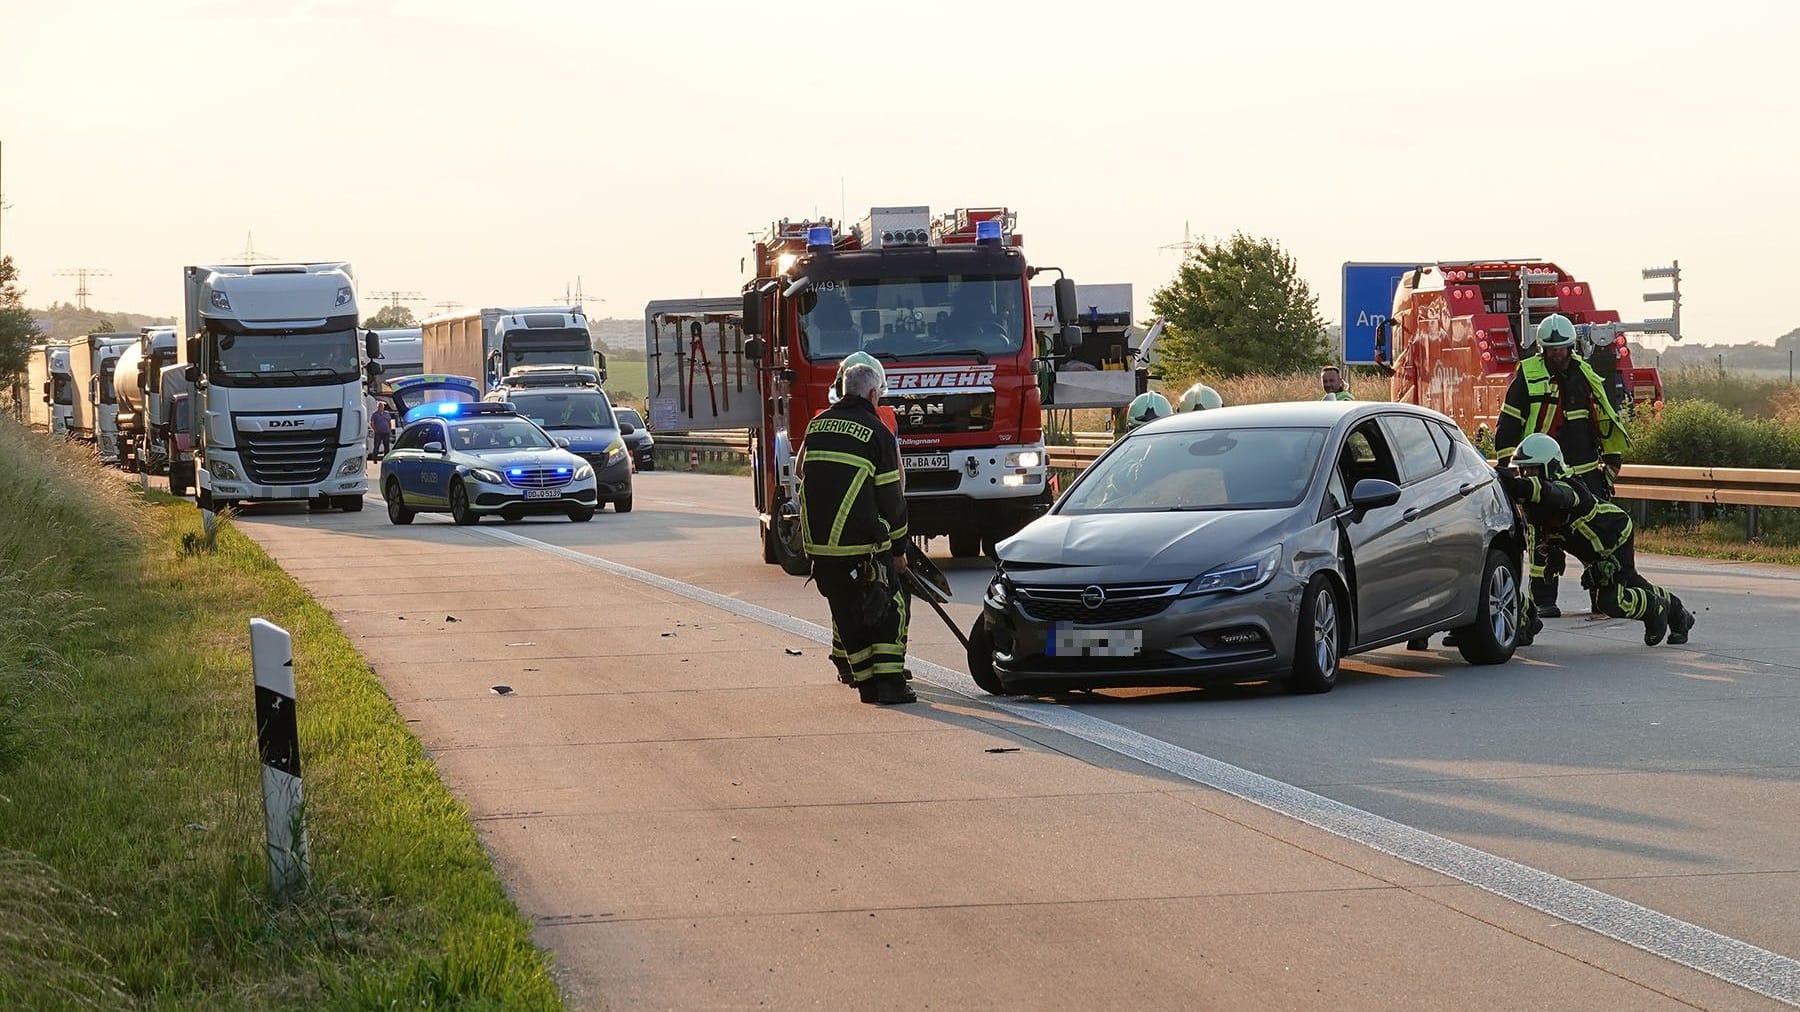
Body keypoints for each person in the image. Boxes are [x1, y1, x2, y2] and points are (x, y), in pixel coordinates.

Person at [1494, 313, 1630, 617]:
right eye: (1553, 349)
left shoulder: (1586, 375)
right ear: (1543, 349)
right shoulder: (1527, 377)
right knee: (1543, 537)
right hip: (1543, 473)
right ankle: (1543, 600)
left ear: (1572, 347)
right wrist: (1510, 471)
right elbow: (1508, 427)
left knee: (1597, 537)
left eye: (1563, 348)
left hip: (1586, 473)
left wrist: (1611, 462)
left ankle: (1603, 594)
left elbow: (1606, 417)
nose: (1558, 354)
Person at [1502, 434, 1693, 647]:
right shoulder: (1533, 508)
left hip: (1614, 539)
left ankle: (1654, 608)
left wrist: (1519, 486)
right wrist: (1530, 616)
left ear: (1551, 467)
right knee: (1632, 583)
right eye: (1523, 470)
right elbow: (1538, 557)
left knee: (1610, 602)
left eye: (1533, 470)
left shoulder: (1570, 487)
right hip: (1593, 549)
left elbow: (1554, 494)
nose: (1527, 475)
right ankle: (1679, 613)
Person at [798, 361, 916, 705]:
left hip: (819, 546)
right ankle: (891, 684)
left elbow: (804, 472)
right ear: (873, 393)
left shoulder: (816, 425)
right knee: (889, 607)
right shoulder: (876, 431)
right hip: (859, 543)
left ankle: (866, 685)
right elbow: (892, 500)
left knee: (847, 613)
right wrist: (898, 548)